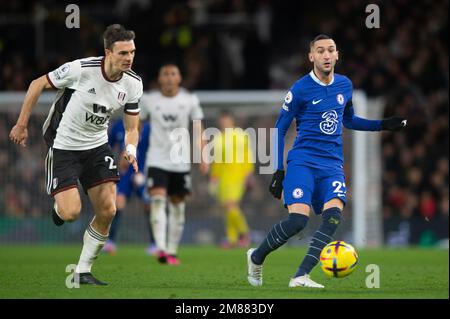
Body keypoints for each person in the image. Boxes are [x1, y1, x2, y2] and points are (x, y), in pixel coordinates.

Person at [246, 34, 407, 288]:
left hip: (332, 165)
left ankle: (300, 276)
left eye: (331, 50)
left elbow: (349, 120)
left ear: (337, 55)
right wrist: (278, 170)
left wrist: (383, 125)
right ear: (311, 57)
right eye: (320, 51)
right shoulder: (300, 89)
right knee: (298, 221)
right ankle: (256, 257)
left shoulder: (345, 85)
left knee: (333, 217)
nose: (326, 55)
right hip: (303, 162)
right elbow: (279, 129)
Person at [9, 24, 143, 285]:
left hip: (97, 147)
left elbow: (132, 127)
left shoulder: (133, 84)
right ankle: (59, 212)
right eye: (123, 53)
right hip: (64, 147)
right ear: (108, 53)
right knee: (71, 212)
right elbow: (37, 84)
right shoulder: (81, 69)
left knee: (108, 209)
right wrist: (21, 124)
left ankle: (82, 271)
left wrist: (130, 149)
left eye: (132, 52)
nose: (129, 58)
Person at [140, 63, 208, 265]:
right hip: (156, 160)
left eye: (173, 74)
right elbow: (136, 125)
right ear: (160, 79)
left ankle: (172, 250)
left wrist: (203, 156)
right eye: (165, 74)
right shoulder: (149, 100)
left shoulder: (189, 100)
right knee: (158, 201)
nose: (169, 77)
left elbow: (198, 129)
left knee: (177, 207)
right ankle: (160, 248)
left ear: (179, 78)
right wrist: (130, 149)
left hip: (180, 162)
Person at [102, 118, 157, 256]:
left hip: (144, 171)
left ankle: (155, 243)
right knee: (118, 202)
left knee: (148, 205)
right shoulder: (119, 125)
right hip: (125, 173)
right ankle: (111, 242)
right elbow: (108, 146)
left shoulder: (150, 128)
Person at [209, 110, 254, 249]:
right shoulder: (217, 138)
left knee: (230, 206)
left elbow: (248, 156)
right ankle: (232, 239)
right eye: (222, 120)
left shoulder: (240, 135)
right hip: (223, 177)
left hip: (237, 176)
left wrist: (248, 174)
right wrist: (213, 178)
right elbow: (216, 161)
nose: (224, 122)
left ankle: (245, 233)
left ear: (232, 121)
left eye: (226, 120)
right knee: (227, 209)